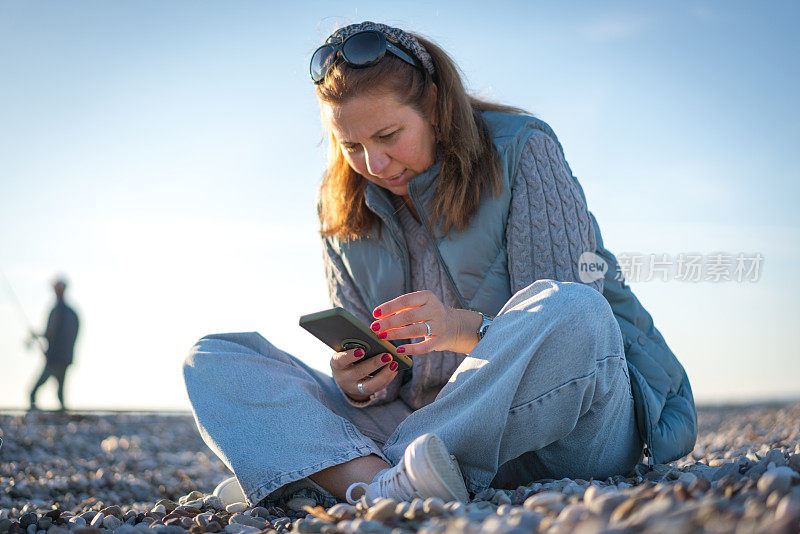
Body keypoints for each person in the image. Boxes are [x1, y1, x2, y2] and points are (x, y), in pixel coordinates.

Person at [183, 21, 697, 508]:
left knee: (577, 308)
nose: (374, 165)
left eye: (388, 136)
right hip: (421, 424)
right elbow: (378, 363)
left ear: (433, 103)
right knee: (215, 357)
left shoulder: (523, 148)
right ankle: (386, 484)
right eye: (352, 146)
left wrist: (457, 328)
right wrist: (359, 384)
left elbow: (560, 331)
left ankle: (333, 472)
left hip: (560, 429)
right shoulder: (342, 202)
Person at [29, 276, 80, 411]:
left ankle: (35, 416)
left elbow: (50, 333)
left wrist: (37, 335)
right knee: (60, 394)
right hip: (65, 359)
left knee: (33, 392)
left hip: (55, 359)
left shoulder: (58, 311)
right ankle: (62, 418)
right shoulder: (73, 313)